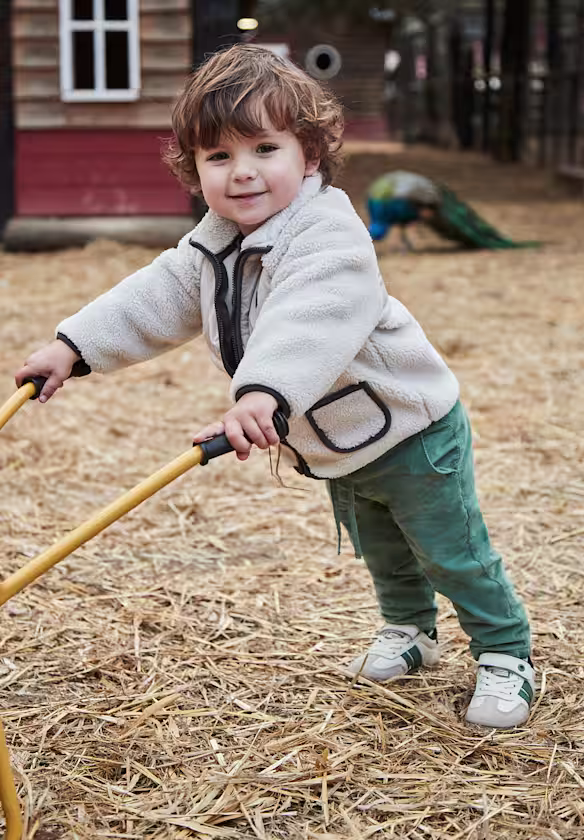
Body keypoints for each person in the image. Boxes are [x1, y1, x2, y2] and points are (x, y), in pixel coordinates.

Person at [15, 44, 533, 728]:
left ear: (309, 156)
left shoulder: (330, 237)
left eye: (264, 148)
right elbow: (159, 294)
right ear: (193, 168)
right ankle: (411, 631)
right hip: (339, 441)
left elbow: (308, 320)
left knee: (451, 553)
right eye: (219, 157)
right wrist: (73, 346)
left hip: (411, 434)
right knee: (381, 548)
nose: (243, 173)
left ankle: (505, 653)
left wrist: (259, 394)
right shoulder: (215, 239)